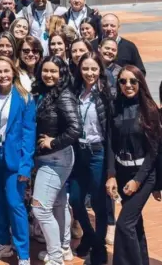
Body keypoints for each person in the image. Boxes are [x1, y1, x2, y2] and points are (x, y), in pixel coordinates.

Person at [0, 57, 35, 265]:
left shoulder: (25, 98)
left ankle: (23, 253)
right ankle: (3, 243)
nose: (3, 75)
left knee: (14, 203)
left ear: (13, 72)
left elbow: (29, 134)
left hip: (14, 157)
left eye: (6, 71)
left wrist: (25, 165)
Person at [105, 65, 160, 265]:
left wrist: (137, 180)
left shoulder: (150, 110)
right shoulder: (115, 107)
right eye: (123, 81)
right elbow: (110, 143)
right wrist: (111, 175)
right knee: (135, 224)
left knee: (124, 224)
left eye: (132, 81)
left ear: (140, 82)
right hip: (122, 172)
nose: (127, 85)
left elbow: (153, 152)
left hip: (143, 175)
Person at [32, 56, 81, 265]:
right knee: (58, 204)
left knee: (40, 208)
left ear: (62, 73)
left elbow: (75, 129)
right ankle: (63, 247)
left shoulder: (64, 95)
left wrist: (53, 142)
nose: (49, 75)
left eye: (54, 71)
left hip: (57, 158)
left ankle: (55, 257)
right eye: (45, 70)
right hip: (48, 158)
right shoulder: (44, 93)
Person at [68, 52, 111, 265]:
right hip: (79, 151)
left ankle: (98, 246)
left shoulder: (106, 93)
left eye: (94, 68)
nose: (90, 72)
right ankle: (91, 236)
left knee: (98, 202)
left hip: (98, 152)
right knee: (76, 199)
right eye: (85, 68)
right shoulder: (75, 91)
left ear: (100, 70)